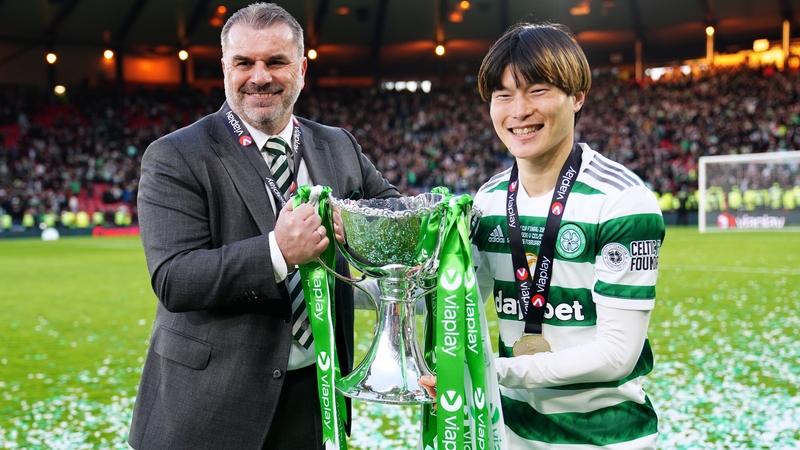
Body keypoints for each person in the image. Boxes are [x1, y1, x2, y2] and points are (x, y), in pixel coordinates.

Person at [127, 3, 398, 450]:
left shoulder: (338, 144)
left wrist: (358, 225)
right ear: (225, 69)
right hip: (209, 406)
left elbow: (392, 210)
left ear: (301, 69)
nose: (259, 77)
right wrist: (278, 251)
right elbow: (175, 279)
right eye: (244, 63)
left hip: (315, 396)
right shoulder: (176, 155)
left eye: (275, 61)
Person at [421, 22, 664, 449]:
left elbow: (615, 355)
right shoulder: (489, 200)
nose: (519, 111)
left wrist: (488, 372)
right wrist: (368, 278)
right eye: (503, 95)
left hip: (606, 438)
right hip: (509, 434)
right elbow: (455, 300)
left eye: (537, 91)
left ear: (578, 96)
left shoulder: (623, 201)